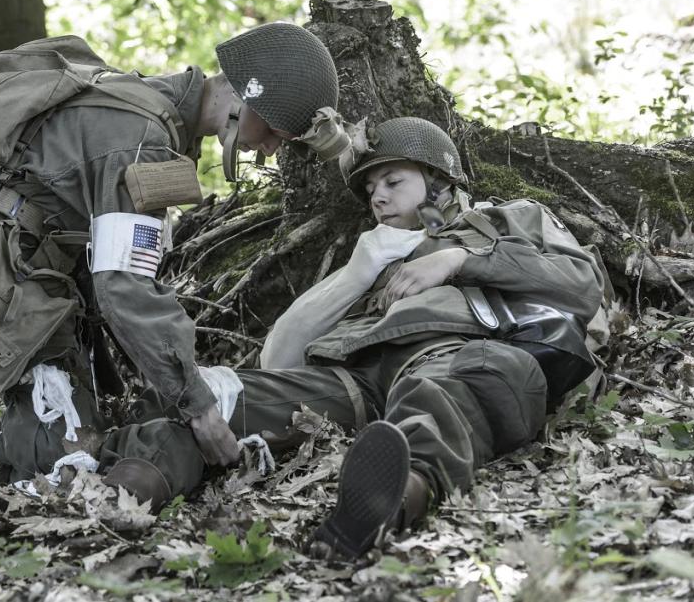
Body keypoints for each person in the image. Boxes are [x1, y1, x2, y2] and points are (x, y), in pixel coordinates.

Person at [0, 22, 340, 509]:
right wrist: (199, 407)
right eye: (272, 131)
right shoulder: (144, 142)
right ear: (244, 99)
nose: (269, 151)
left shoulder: (145, 104)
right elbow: (126, 288)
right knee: (62, 468)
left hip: (17, 263)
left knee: (82, 435)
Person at [221, 116, 605, 559]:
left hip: (459, 353)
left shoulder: (508, 218)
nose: (378, 196)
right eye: (371, 191)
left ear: (437, 180)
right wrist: (356, 274)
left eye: (393, 181)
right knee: (223, 397)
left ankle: (394, 498)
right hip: (359, 380)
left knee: (440, 392)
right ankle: (135, 479)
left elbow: (581, 285)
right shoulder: (375, 255)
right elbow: (279, 357)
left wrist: (460, 259)